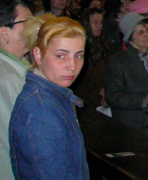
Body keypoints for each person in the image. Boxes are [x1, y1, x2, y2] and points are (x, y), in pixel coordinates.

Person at [9, 15, 89, 180]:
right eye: (61, 55)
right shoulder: (43, 108)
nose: (72, 66)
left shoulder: (50, 96)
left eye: (78, 55)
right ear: (38, 55)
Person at [0, 0, 33, 180]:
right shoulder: (4, 78)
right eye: (27, 23)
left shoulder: (9, 66)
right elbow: (24, 141)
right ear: (4, 33)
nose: (35, 28)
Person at [105, 12, 148, 140]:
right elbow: (112, 96)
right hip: (132, 127)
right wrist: (144, 99)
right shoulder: (118, 61)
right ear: (130, 38)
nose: (147, 34)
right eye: (140, 32)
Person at [72, 6, 116, 114]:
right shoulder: (78, 47)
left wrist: (109, 92)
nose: (99, 26)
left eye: (101, 22)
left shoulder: (106, 45)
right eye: (95, 22)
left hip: (107, 96)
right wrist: (98, 91)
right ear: (86, 23)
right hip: (85, 100)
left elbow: (115, 70)